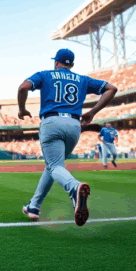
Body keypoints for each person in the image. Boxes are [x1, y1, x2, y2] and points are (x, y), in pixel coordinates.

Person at [17, 48, 117, 226]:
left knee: (54, 165)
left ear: (56, 62)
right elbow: (111, 88)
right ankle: (34, 206)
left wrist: (22, 109)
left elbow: (23, 87)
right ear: (71, 64)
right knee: (53, 166)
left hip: (52, 121)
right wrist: (92, 112)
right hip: (74, 125)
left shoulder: (46, 74)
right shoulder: (82, 79)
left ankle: (74, 187)